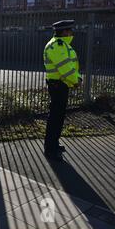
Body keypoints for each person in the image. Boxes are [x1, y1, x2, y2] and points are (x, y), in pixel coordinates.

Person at [43, 20, 82, 162]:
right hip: (58, 85)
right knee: (55, 117)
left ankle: (54, 144)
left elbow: (70, 66)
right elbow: (64, 68)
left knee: (58, 116)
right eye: (70, 30)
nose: (72, 32)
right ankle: (50, 149)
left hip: (61, 85)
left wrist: (75, 79)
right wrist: (76, 80)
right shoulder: (57, 46)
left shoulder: (62, 45)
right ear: (64, 32)